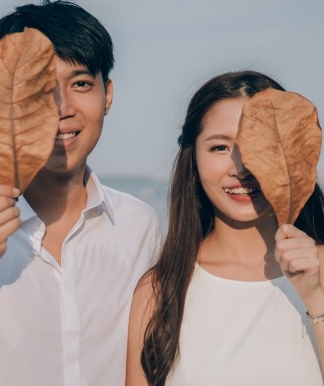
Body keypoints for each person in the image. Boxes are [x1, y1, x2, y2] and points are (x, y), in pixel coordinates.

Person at [0, 0, 161, 386]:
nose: (61, 108)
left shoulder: (139, 225)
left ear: (107, 94)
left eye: (81, 84)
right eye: (38, 89)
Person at [126, 70, 324, 386]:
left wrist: (316, 299)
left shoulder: (319, 271)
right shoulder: (160, 290)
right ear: (194, 160)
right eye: (220, 147)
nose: (240, 168)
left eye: (259, 144)